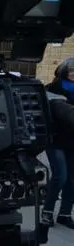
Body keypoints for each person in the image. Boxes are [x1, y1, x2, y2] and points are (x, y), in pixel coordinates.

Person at [43, 57, 74, 228]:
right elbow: (63, 112)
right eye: (72, 73)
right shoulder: (52, 90)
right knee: (60, 176)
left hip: (72, 141)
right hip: (56, 140)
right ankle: (47, 212)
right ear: (63, 73)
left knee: (72, 179)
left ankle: (65, 213)